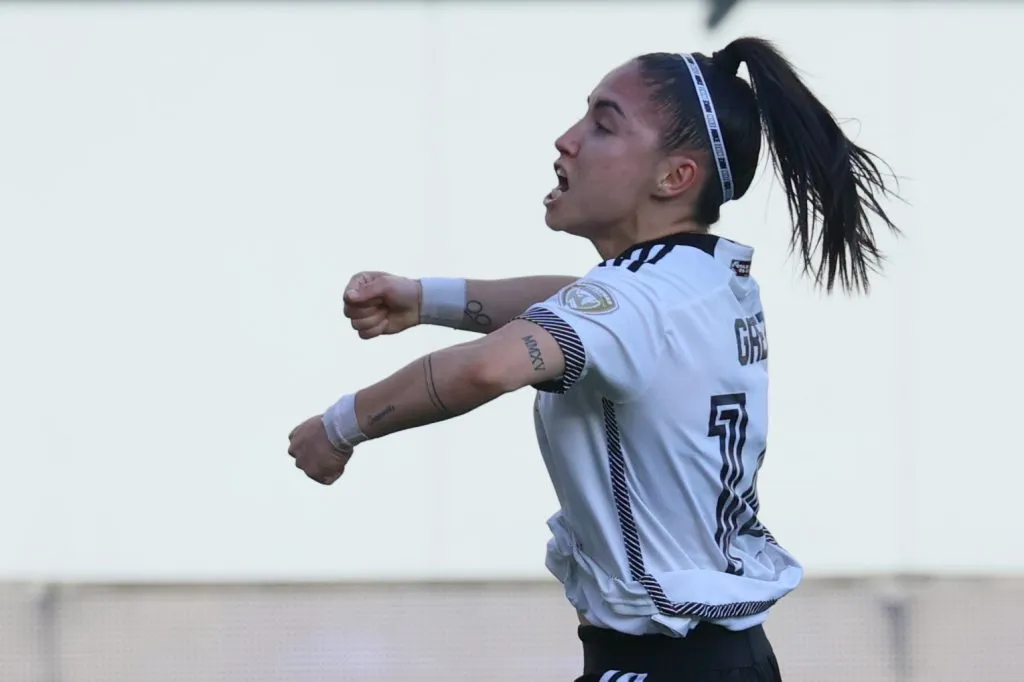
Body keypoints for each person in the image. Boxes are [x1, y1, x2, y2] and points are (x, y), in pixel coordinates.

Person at [287, 37, 899, 681]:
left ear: (675, 177)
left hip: (666, 664)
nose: (567, 139)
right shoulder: (696, 278)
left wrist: (340, 427)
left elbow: (486, 368)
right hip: (724, 658)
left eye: (604, 125)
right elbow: (575, 303)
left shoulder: (637, 302)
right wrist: (423, 299)